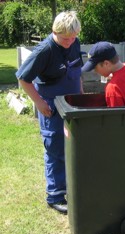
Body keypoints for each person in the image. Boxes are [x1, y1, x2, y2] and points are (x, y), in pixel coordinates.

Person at [16, 11, 84, 214]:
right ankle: (54, 195)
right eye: (65, 38)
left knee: (72, 147)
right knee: (55, 149)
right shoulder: (44, 51)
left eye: (73, 37)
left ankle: (70, 187)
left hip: (72, 106)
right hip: (51, 108)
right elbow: (23, 78)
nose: (70, 42)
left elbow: (77, 70)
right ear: (55, 32)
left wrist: (80, 93)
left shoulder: (74, 42)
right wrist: (38, 103)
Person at [81, 41, 125, 107]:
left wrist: (115, 80)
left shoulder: (113, 88)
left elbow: (115, 116)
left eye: (95, 68)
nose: (95, 71)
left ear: (106, 64)